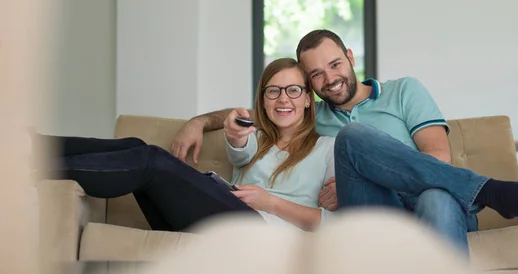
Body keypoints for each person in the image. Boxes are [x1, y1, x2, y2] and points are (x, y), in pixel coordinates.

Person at [171, 29, 518, 253]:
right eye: (316, 75)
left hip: (427, 198)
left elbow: (438, 159)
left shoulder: (404, 91)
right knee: (350, 139)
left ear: (351, 58)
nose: (330, 79)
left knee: (436, 194)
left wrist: (371, 175)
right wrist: (198, 122)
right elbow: (257, 111)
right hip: (372, 213)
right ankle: (488, 191)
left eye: (335, 64)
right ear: (309, 88)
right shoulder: (309, 115)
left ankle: (474, 206)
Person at [37, 58, 334, 232]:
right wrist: (235, 134)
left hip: (261, 229)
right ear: (263, 100)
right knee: (135, 145)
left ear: (309, 99)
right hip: (220, 216)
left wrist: (270, 202)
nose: (284, 99)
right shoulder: (257, 138)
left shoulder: (329, 148)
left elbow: (330, 224)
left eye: (294, 90)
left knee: (152, 160)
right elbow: (239, 149)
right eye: (274, 91)